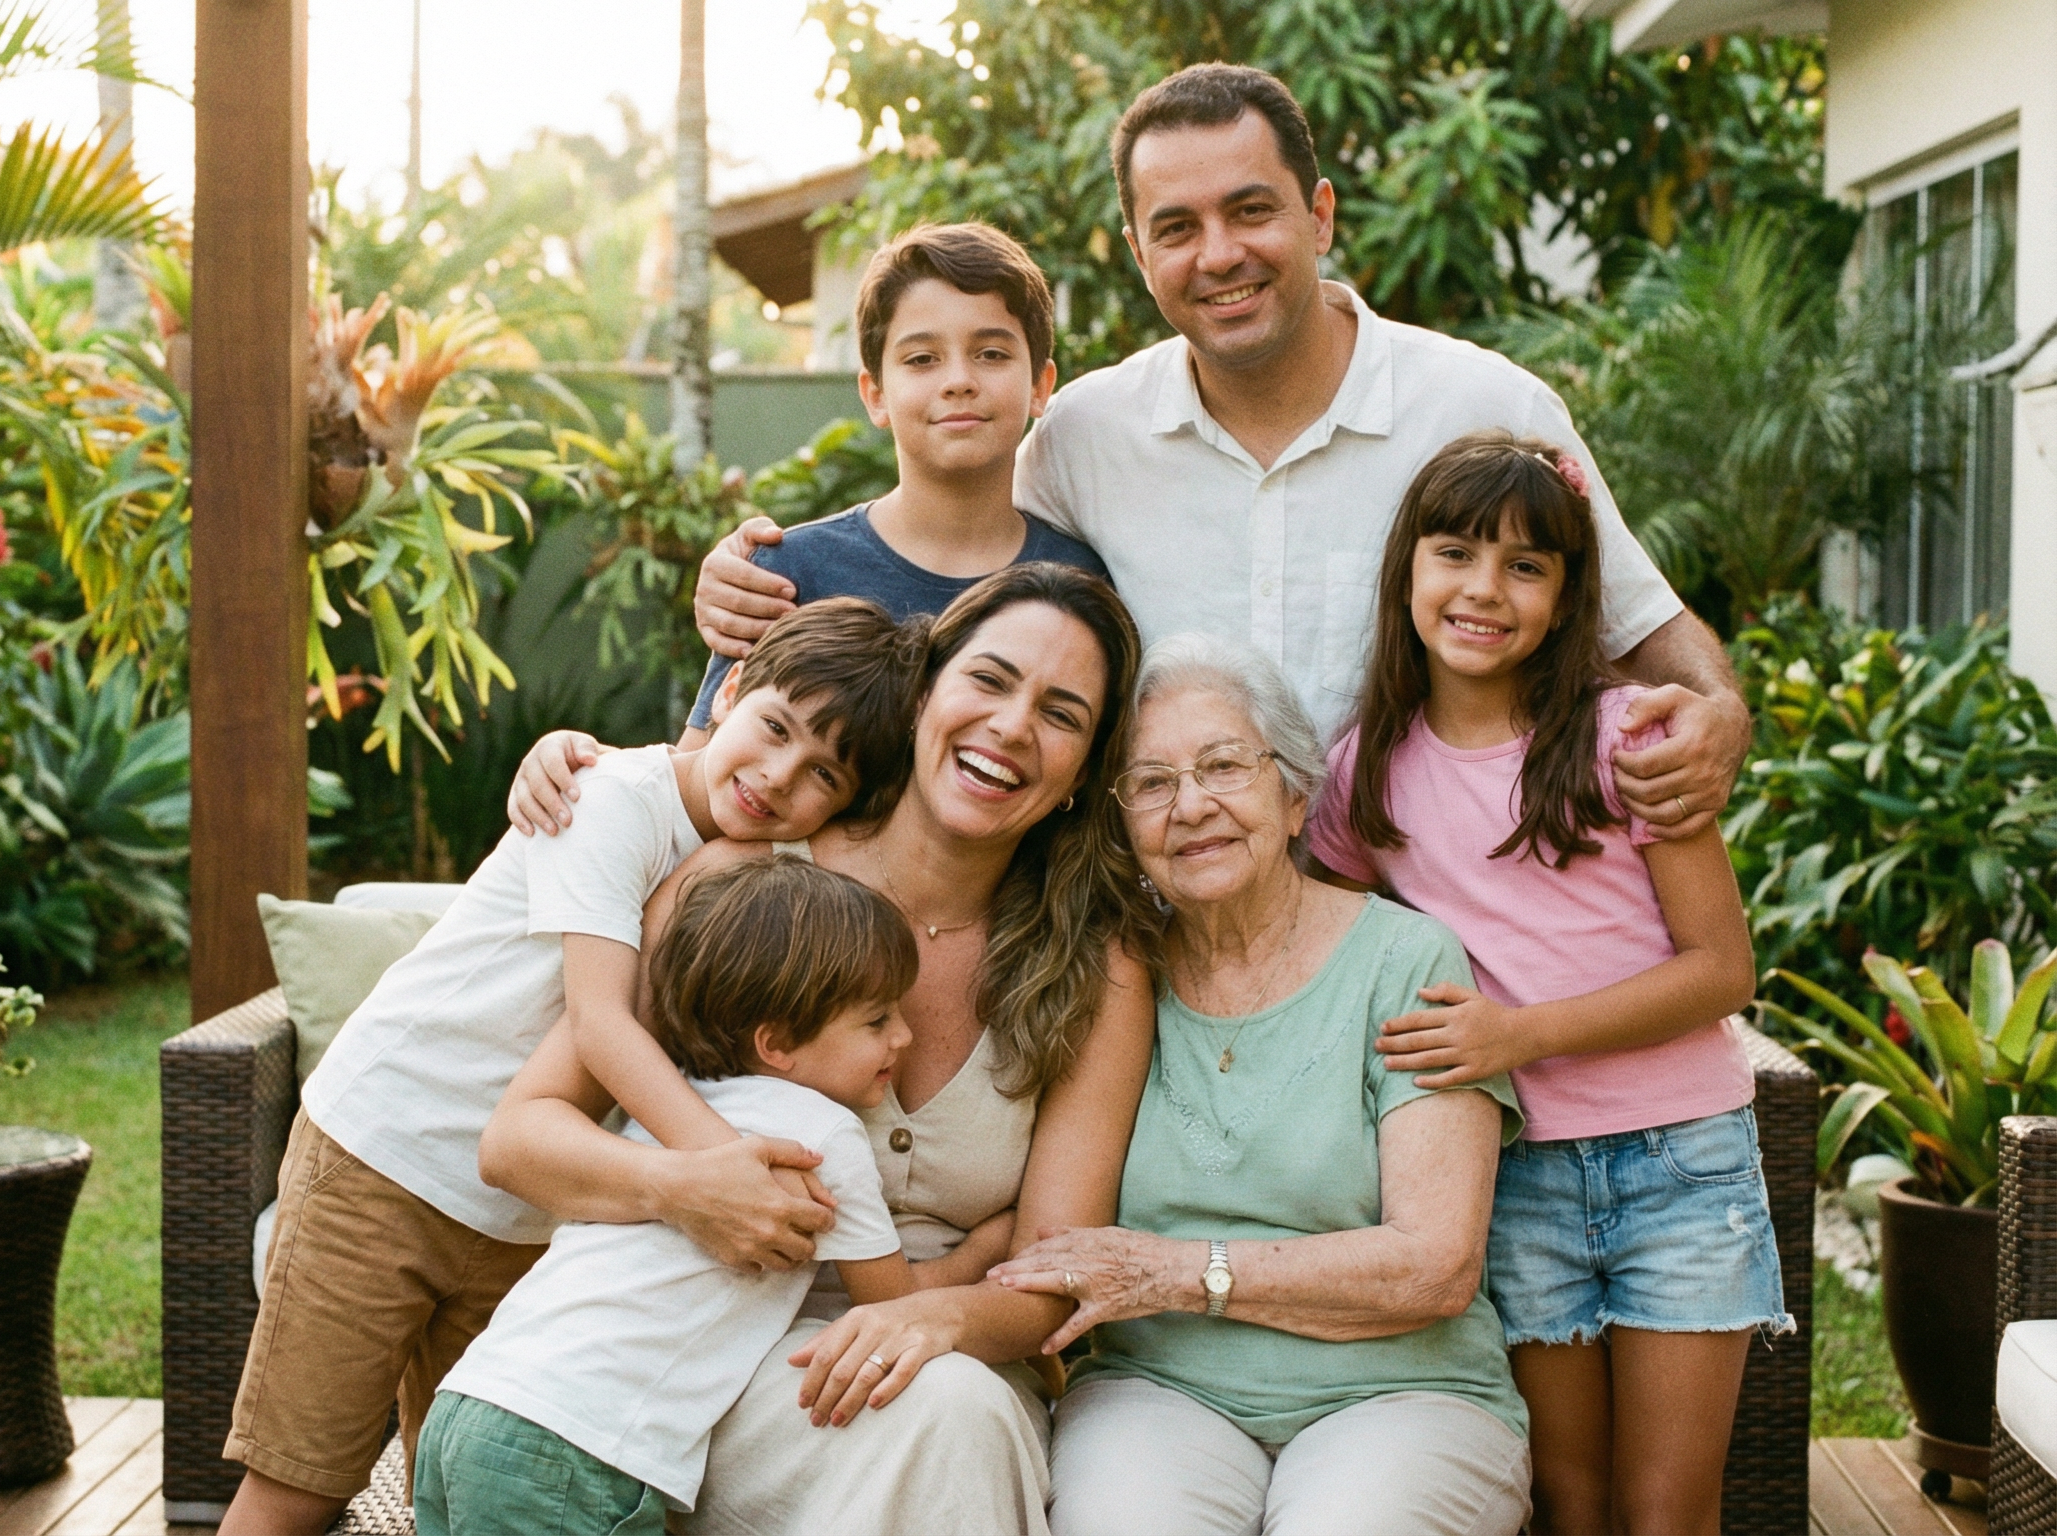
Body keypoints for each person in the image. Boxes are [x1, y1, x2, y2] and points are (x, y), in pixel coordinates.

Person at [677, 61, 1752, 847]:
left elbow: (1648, 634)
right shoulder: (1086, 436)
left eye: (1251, 211)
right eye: (1177, 227)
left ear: (1318, 215)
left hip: (1440, 934)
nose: (1220, 254)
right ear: (1139, 252)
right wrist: (760, 569)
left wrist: (1717, 716)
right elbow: (945, 517)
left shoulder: (1483, 406)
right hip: (1167, 937)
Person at [216, 599, 930, 1536]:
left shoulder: (745, 862)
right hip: (385, 1153)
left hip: (526, 1213)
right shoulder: (608, 799)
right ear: (734, 690)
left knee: (476, 1488)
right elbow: (600, 1024)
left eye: (821, 774)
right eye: (774, 729)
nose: (777, 775)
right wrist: (723, 1165)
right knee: (301, 1483)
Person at [480, 564, 1157, 1536]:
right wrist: (685, 1186)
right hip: (696, 1364)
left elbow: (1052, 1266)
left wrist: (935, 1320)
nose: (1010, 726)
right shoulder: (740, 881)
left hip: (946, 1361)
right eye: (989, 680)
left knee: (956, 1411)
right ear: (925, 693)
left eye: (1059, 714)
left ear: (1083, 774)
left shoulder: (1097, 963)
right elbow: (520, 1141)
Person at [1303, 432, 1788, 1535]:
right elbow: (1322, 935)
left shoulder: (1629, 738)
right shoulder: (1363, 769)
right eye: (1456, 553)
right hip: (1509, 1176)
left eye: (1526, 565)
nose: (1484, 588)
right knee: (1566, 1499)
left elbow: (1722, 972)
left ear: (1569, 599)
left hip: (1682, 1165)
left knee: (1665, 1510)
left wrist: (1515, 1035)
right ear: (1407, 574)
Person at [993, 632, 1531, 1536]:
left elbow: (1435, 1267)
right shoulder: (1119, 980)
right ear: (1121, 823)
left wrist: (1180, 1272)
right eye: (1152, 783)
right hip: (1159, 1390)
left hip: (1404, 1393)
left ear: (1293, 795)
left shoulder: (1404, 960)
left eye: (1222, 766)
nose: (1190, 805)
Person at [506, 221, 1107, 829]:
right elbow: (689, 796)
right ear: (874, 394)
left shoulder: (1078, 587)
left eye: (992, 353)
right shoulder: (787, 572)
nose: (959, 378)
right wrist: (580, 767)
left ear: (1040, 386)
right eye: (922, 358)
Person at [418, 858, 919, 1535]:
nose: (904, 1037)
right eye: (877, 1020)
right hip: (573, 1450)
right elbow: (893, 1305)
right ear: (777, 1044)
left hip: (471, 1403)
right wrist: (992, 1248)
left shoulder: (661, 1106)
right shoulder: (825, 1137)